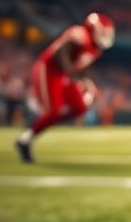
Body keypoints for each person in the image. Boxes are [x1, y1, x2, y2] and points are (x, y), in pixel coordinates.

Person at [15, 13, 114, 163]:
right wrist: (73, 76)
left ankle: (41, 124)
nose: (105, 36)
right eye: (103, 32)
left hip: (64, 75)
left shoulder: (95, 49)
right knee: (54, 110)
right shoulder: (80, 34)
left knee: (80, 106)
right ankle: (27, 137)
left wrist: (85, 80)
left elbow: (83, 66)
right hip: (49, 70)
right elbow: (60, 53)